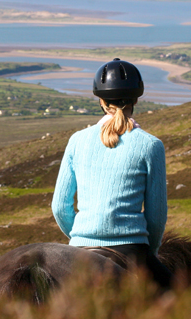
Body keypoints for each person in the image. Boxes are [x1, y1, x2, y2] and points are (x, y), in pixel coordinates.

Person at [51, 58, 173, 288]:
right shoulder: (151, 145)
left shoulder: (77, 141)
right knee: (182, 299)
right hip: (132, 250)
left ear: (101, 100)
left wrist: (79, 237)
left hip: (79, 249)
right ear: (136, 99)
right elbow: (156, 217)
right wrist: (152, 252)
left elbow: (59, 207)